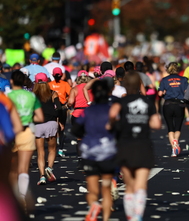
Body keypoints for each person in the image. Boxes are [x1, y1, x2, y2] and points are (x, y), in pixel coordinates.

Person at [108, 71, 161, 221]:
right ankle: (137, 216)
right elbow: (156, 124)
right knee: (141, 183)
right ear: (139, 84)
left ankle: (131, 215)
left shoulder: (121, 102)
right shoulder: (147, 102)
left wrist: (115, 124)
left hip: (125, 145)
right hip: (143, 145)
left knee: (129, 184)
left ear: (125, 85)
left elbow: (112, 115)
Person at [72, 80, 118, 221]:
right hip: (108, 153)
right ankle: (105, 217)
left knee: (92, 190)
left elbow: (76, 130)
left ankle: (94, 204)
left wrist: (86, 134)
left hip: (90, 152)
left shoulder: (88, 111)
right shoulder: (112, 110)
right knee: (106, 188)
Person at [8, 70, 44, 208]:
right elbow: (40, 118)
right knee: (23, 168)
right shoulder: (31, 96)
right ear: (24, 81)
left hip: (11, 132)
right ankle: (22, 197)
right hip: (28, 131)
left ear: (11, 81)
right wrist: (28, 118)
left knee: (11, 169)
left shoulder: (6, 96)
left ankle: (13, 198)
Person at [33, 73, 62, 185]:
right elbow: (59, 108)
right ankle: (49, 168)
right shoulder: (53, 93)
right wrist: (57, 118)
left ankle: (42, 176)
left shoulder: (33, 95)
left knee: (40, 152)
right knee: (52, 149)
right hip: (51, 123)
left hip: (37, 124)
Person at [158, 62, 188, 157]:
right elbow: (187, 92)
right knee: (178, 127)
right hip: (179, 104)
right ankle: (176, 142)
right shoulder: (183, 79)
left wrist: (165, 92)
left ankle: (173, 149)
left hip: (168, 104)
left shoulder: (164, 80)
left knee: (170, 128)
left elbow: (159, 94)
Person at [48, 67, 71, 157]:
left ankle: (54, 149)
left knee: (56, 128)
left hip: (53, 108)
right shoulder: (65, 84)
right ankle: (60, 149)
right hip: (61, 107)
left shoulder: (49, 84)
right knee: (61, 128)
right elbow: (70, 94)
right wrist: (67, 102)